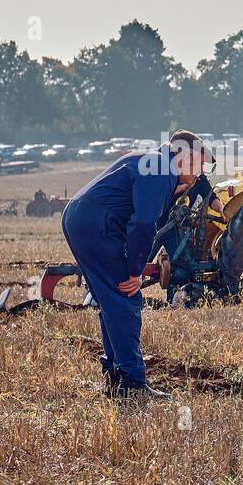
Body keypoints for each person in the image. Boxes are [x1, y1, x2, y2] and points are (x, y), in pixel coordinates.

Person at [62, 131, 214, 399]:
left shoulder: (152, 162)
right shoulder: (160, 171)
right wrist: (135, 272)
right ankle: (132, 383)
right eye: (199, 164)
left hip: (79, 218)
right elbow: (143, 224)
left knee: (112, 301)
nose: (201, 173)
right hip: (97, 225)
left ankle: (114, 377)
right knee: (127, 297)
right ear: (185, 157)